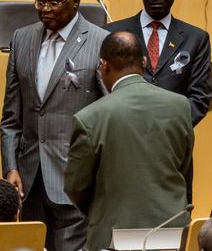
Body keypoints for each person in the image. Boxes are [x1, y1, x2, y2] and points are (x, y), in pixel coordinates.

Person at [0, 0, 109, 251]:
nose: (45, 10)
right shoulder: (22, 38)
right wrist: (10, 166)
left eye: (54, 3)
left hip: (75, 177)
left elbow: (110, 112)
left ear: (75, 2)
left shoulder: (100, 41)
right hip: (29, 178)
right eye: (40, 3)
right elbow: (12, 115)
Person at [64, 31, 193, 251]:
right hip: (170, 230)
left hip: (114, 234)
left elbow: (76, 186)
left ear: (103, 65)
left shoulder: (89, 118)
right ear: (144, 63)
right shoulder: (180, 106)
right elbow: (183, 166)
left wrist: (102, 210)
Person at [104, 0, 211, 204]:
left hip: (171, 150)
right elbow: (103, 91)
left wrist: (161, 130)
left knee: (171, 225)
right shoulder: (113, 33)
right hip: (123, 146)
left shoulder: (196, 38)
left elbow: (199, 99)